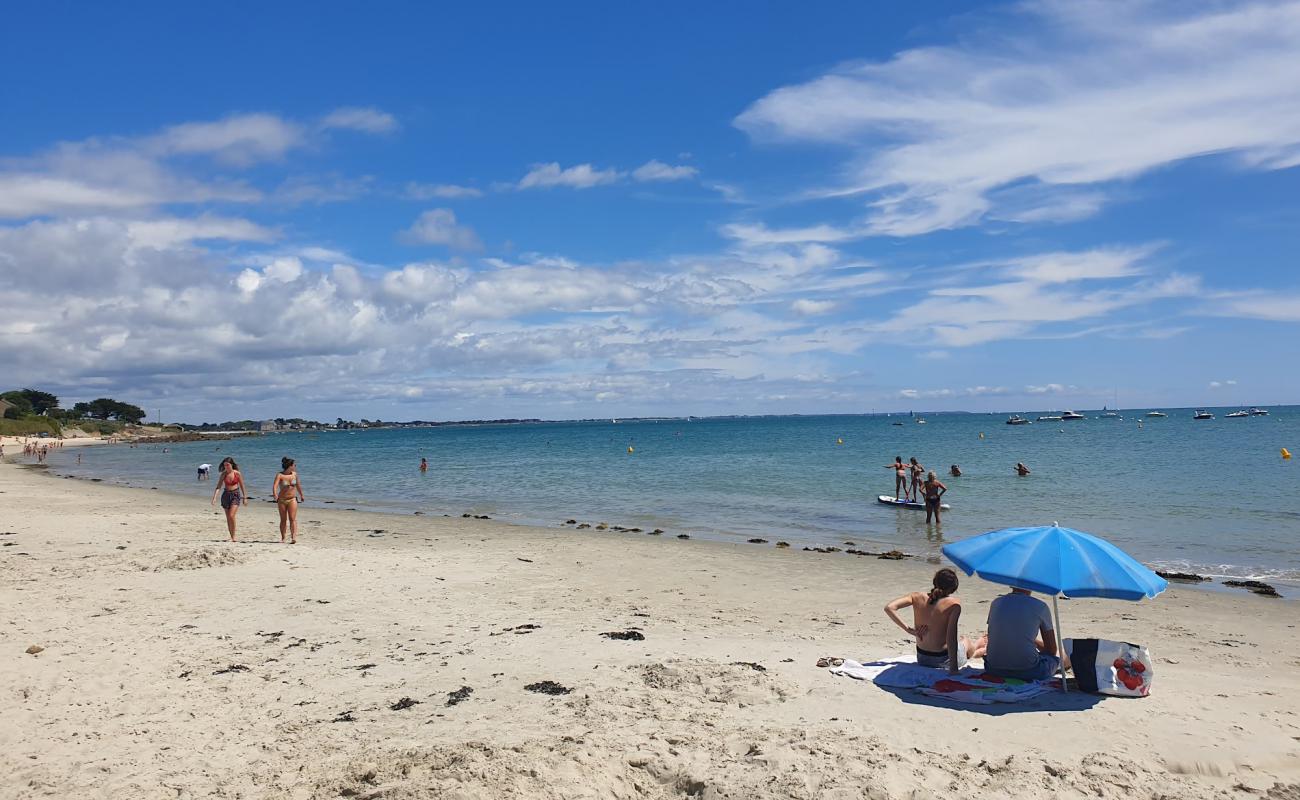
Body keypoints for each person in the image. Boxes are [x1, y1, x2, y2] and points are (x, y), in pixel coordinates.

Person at [883, 568, 978, 674]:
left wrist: (909, 630)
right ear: (953, 588)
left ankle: (980, 647)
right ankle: (979, 646)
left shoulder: (916, 596)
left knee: (962, 642)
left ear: (935, 582)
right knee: (966, 641)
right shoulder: (954, 604)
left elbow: (889, 607)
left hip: (922, 659)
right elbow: (951, 637)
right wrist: (953, 669)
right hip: (943, 660)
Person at [981, 587, 1060, 680]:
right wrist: (1032, 641)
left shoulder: (996, 602)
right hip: (1029, 671)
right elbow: (1051, 650)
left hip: (993, 668)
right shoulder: (1040, 606)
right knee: (1058, 657)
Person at [211, 457, 248, 542]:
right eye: (225, 465)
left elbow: (242, 486)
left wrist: (245, 497)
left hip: (235, 494)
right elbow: (218, 486)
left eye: (227, 465)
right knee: (228, 517)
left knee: (231, 515)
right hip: (226, 495)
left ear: (232, 465)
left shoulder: (237, 473)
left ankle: (234, 536)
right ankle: (231, 537)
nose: (226, 467)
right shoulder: (223, 474)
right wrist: (214, 498)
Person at [272, 457, 305, 544]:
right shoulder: (280, 475)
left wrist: (301, 495)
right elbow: (275, 486)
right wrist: (275, 495)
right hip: (282, 500)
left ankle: (293, 537)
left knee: (292, 519)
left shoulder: (294, 474)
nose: (295, 466)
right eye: (294, 465)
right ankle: (283, 538)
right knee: (283, 519)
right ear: (290, 466)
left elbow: (298, 485)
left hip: (292, 499)